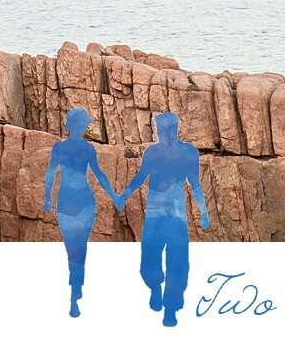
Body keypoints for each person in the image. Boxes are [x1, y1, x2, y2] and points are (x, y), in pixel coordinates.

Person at [113, 111, 210, 327]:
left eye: (159, 129)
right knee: (167, 260)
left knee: (164, 259)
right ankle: (159, 291)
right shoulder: (177, 152)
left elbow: (192, 183)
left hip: (163, 213)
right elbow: (193, 184)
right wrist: (203, 212)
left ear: (165, 130)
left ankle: (169, 308)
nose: (158, 132)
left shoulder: (169, 153)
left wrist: (204, 211)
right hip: (169, 213)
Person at [41, 107, 121, 318]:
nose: (85, 127)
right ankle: (76, 287)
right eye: (84, 124)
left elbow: (51, 174)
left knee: (74, 248)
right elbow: (100, 175)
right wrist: (114, 196)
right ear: (78, 125)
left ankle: (75, 291)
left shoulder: (63, 148)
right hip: (81, 201)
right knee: (78, 248)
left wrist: (48, 197)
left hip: (70, 200)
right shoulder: (85, 149)